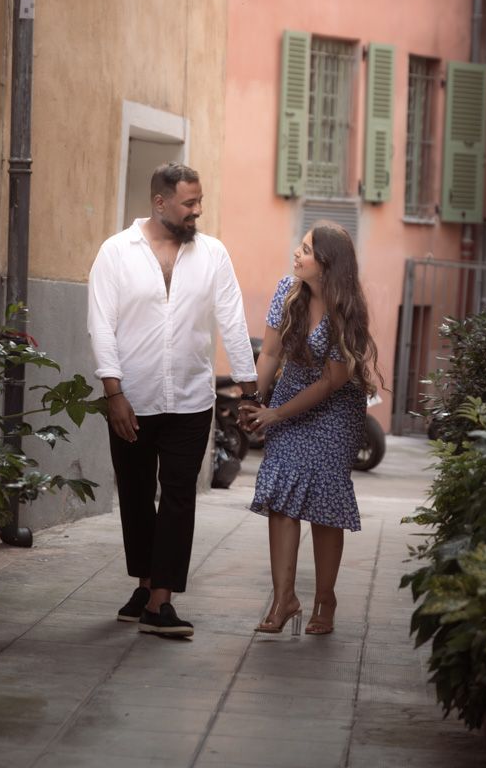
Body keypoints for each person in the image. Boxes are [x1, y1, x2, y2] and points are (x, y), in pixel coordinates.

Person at [87, 162, 258, 639]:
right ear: (159, 202)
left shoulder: (213, 255)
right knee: (137, 496)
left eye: (199, 202)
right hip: (132, 398)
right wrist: (114, 393)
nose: (197, 211)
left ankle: (161, 600)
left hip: (190, 398)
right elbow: (101, 325)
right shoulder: (116, 253)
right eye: (189, 203)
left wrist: (248, 386)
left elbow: (231, 317)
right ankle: (144, 587)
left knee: (180, 496)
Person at [239, 222, 380, 637]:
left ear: (327, 264)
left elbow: (331, 382)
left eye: (305, 250)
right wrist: (256, 401)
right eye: (299, 247)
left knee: (323, 501)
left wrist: (276, 415)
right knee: (281, 494)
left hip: (335, 409)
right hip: (289, 394)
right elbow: (268, 352)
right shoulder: (287, 291)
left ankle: (325, 598)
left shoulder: (346, 311)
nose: (296, 254)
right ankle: (284, 599)